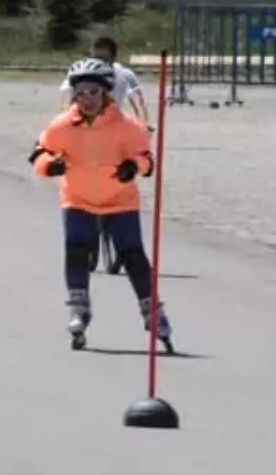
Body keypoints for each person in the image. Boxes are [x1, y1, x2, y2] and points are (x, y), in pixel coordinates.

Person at [30, 58, 174, 350]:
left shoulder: (126, 127)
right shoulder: (62, 126)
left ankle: (153, 310)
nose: (87, 99)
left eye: (93, 92)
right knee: (76, 249)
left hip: (118, 200)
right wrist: (49, 165)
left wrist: (133, 167)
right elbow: (38, 154)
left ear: (106, 92)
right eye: (80, 93)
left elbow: (148, 160)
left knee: (133, 255)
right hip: (77, 198)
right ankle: (78, 308)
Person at [59, 36, 151, 131]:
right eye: (95, 58)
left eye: (104, 59)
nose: (99, 63)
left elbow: (137, 101)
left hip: (111, 124)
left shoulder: (124, 74)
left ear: (113, 58)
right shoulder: (81, 74)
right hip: (84, 124)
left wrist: (143, 124)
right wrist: (66, 123)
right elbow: (68, 100)